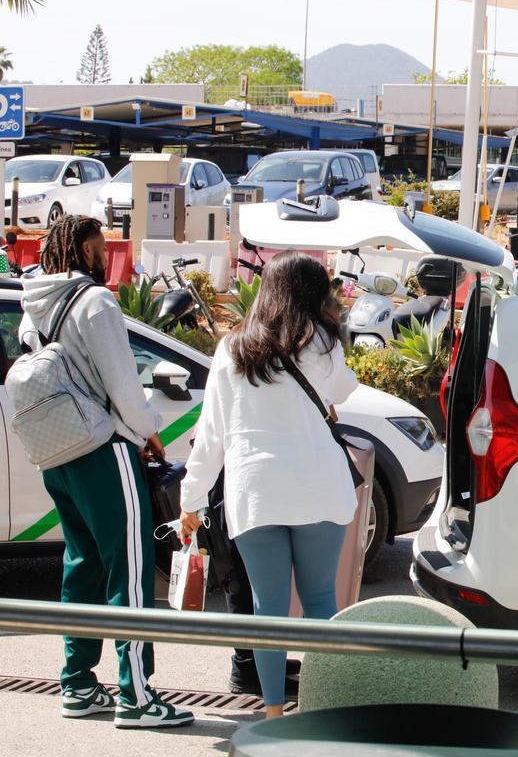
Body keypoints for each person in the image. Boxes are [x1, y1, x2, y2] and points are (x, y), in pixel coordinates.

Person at [19, 216, 193, 728]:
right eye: (100, 248)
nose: (106, 258)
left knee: (83, 564)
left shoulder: (35, 304)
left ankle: (77, 684)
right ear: (86, 251)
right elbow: (122, 382)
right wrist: (148, 431)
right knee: (131, 570)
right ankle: (136, 696)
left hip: (58, 453)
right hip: (103, 448)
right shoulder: (95, 302)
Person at [178, 250, 358, 718]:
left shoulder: (233, 348)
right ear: (313, 293)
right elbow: (343, 391)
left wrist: (191, 502)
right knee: (320, 599)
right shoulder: (323, 342)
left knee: (268, 606)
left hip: (255, 489)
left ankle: (274, 714)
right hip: (317, 484)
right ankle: (323, 709)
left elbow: (212, 434)